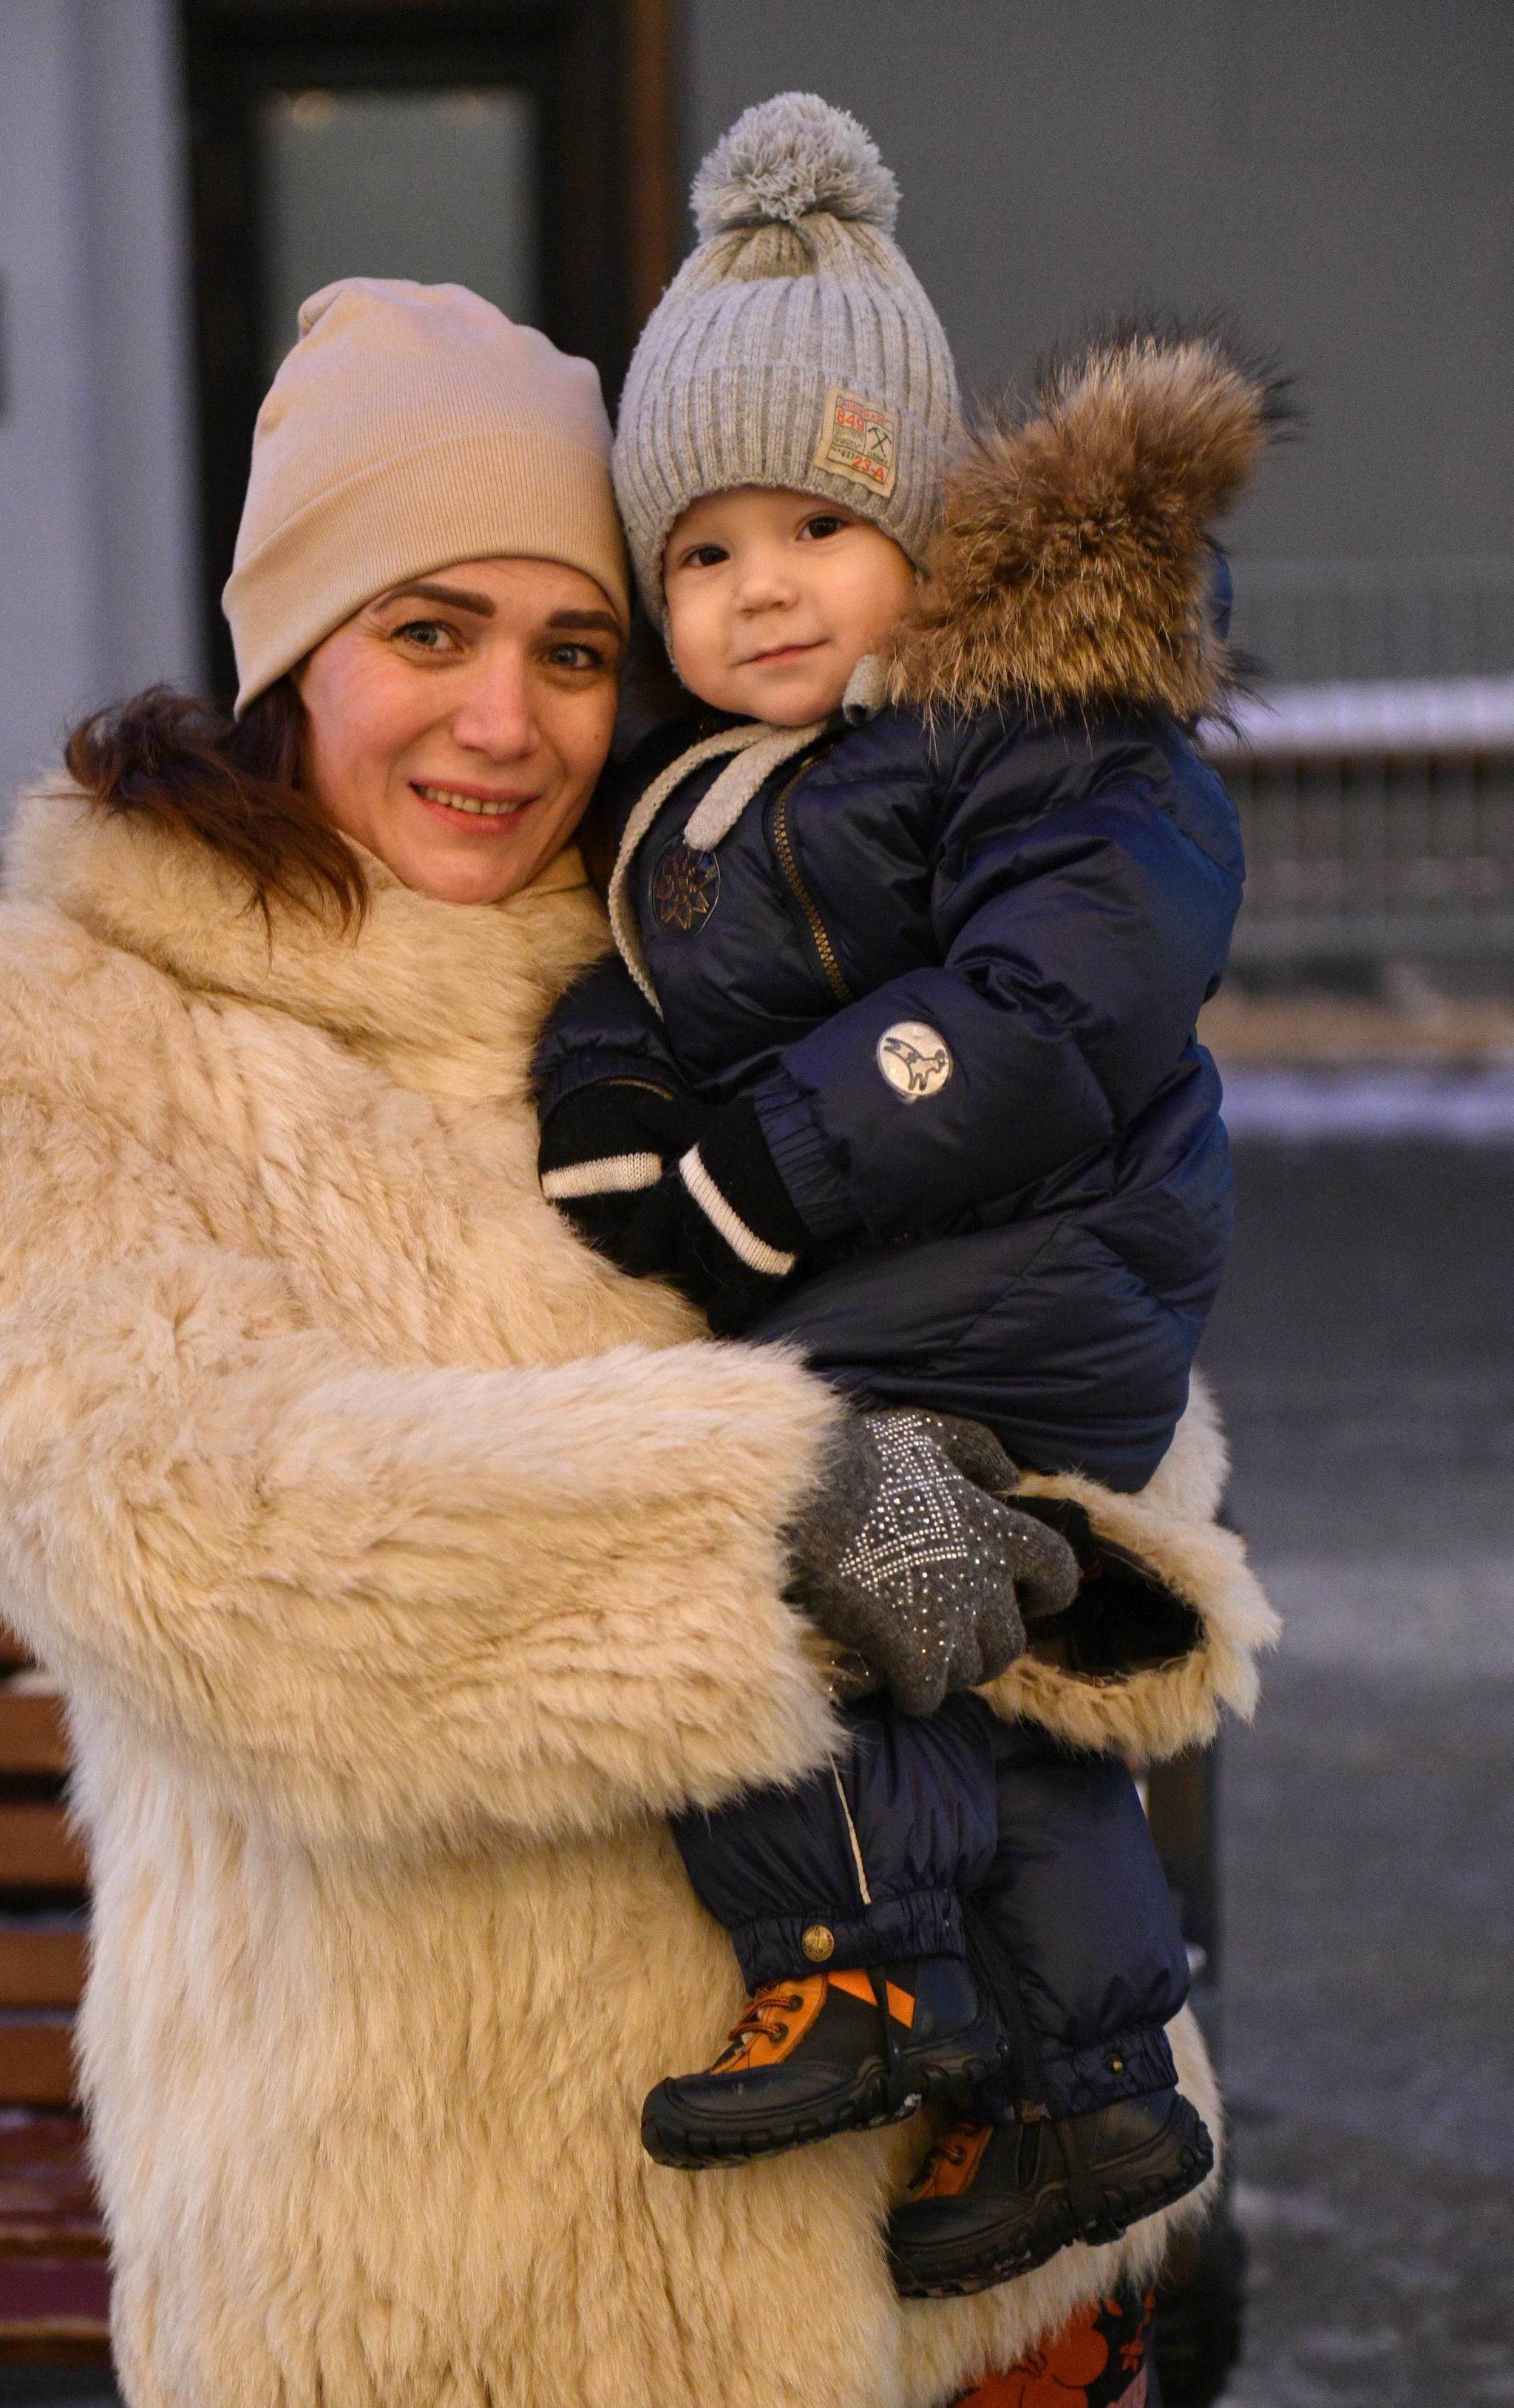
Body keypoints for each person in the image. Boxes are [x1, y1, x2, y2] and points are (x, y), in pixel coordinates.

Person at [0, 277, 1248, 2408]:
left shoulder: (745, 932)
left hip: (888, 2183)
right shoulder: (51, 1033)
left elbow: (1107, 1453)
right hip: (424, 2234)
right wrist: (795, 1513)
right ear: (290, 643)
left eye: (575, 648)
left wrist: (1081, 1580)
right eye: (427, 632)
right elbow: (208, 1551)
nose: (505, 723)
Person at [536, 96, 1279, 2297]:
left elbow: (1060, 999)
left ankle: (859, 1963)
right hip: (942, 1279)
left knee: (763, 1522)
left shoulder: (1028, 728)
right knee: (969, 1655)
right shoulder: (711, 791)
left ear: (930, 526)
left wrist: (766, 1163)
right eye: (700, 553)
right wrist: (610, 1096)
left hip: (1041, 1264)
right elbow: (642, 982)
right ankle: (1097, 2082)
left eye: (817, 525)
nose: (758, 585)